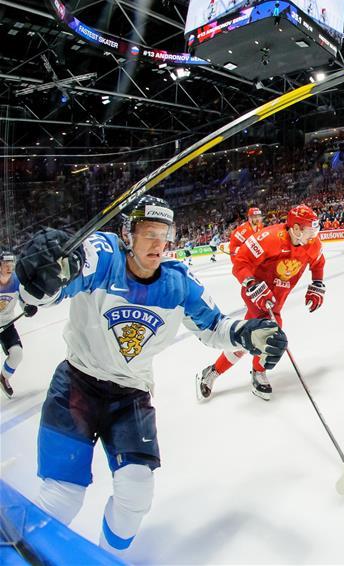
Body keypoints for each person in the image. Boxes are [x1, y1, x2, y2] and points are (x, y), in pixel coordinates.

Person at [15, 196, 287, 554]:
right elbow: (47, 292)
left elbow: (214, 327)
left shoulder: (179, 283)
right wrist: (37, 279)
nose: (159, 244)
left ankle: (105, 559)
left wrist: (247, 333)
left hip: (130, 396)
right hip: (77, 386)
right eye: (149, 234)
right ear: (128, 234)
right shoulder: (103, 256)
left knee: (136, 494)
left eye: (165, 234)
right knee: (63, 498)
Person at [198, 204, 325, 401]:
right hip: (257, 294)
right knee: (271, 332)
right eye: (310, 230)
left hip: (277, 298)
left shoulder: (312, 244)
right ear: (297, 228)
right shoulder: (269, 238)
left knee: (247, 339)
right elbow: (241, 261)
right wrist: (251, 283)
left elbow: (318, 262)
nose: (314, 235)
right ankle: (258, 373)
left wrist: (317, 283)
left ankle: (212, 371)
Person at [0, 249, 38, 398]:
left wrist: (28, 308)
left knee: (17, 354)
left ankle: (3, 378)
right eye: (5, 264)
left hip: (7, 324)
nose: (9, 267)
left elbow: (24, 300)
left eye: (11, 263)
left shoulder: (17, 281)